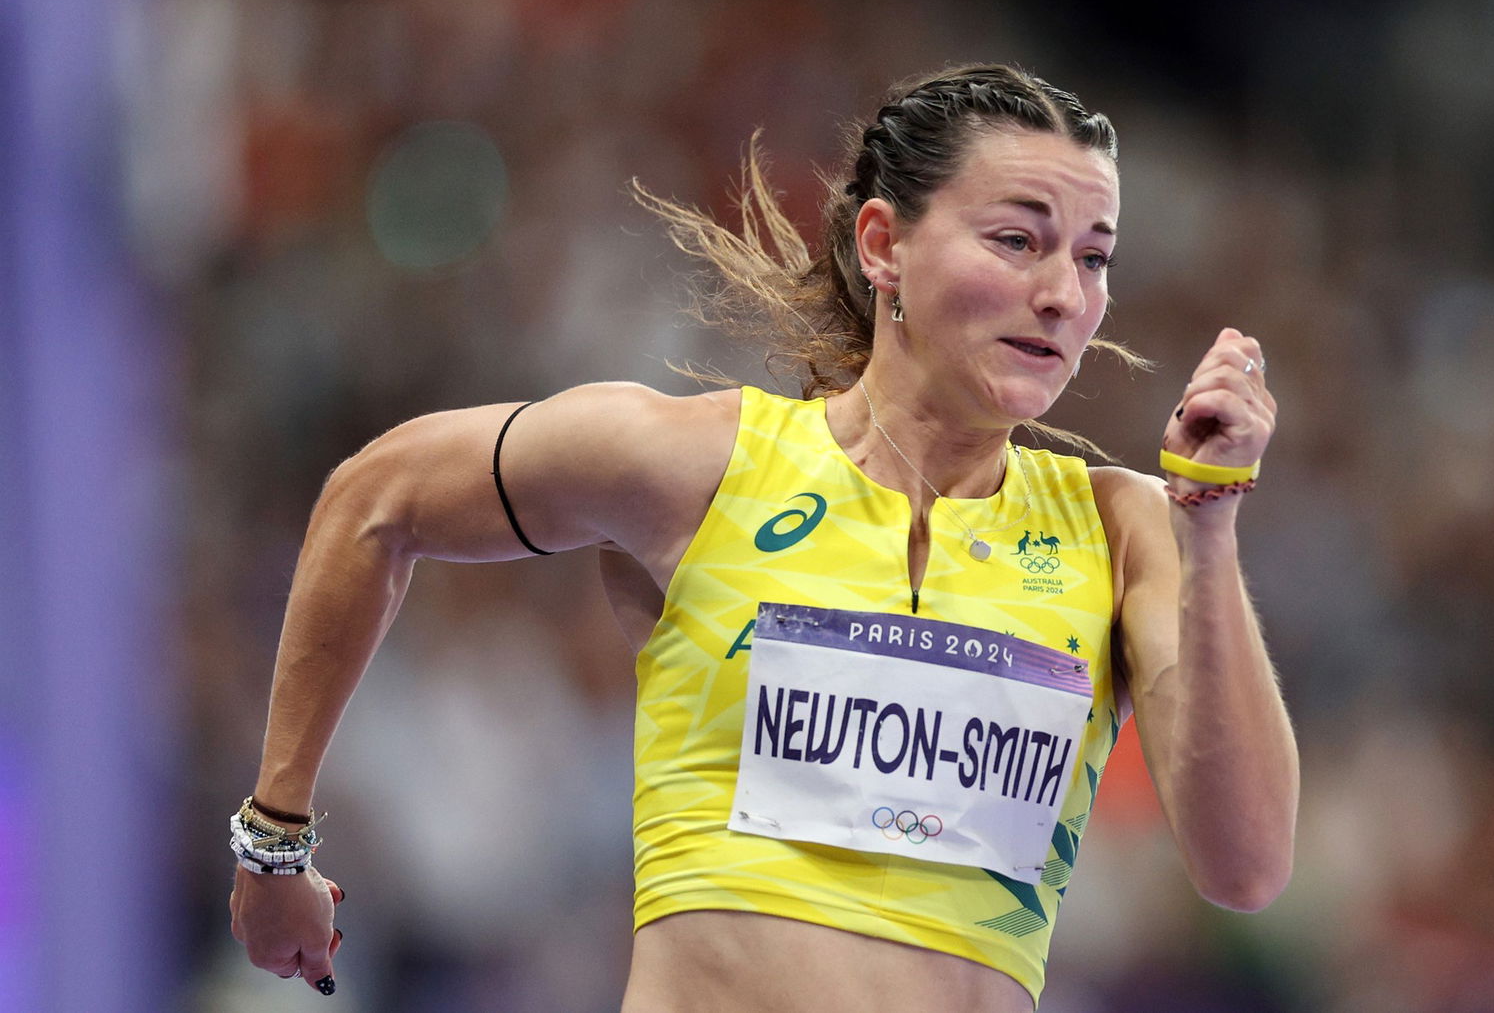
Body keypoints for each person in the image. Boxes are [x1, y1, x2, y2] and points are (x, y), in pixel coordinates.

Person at [228, 63, 1298, 1010]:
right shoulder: (698, 466)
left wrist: (1210, 537)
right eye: (1016, 239)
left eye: (1095, 257)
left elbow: (1244, 868)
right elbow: (373, 501)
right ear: (883, 245)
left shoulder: (1126, 534)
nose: (1064, 295)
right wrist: (275, 838)